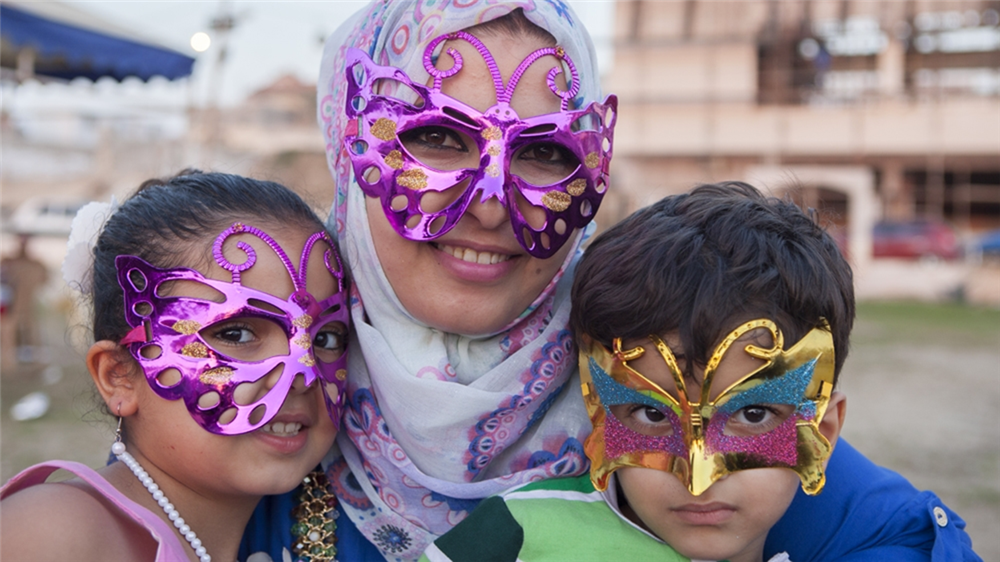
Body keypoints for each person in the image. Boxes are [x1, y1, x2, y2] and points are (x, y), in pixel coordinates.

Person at [247, 1, 980, 561]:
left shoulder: (680, 363)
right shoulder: (256, 399)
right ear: (348, 152)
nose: (493, 201)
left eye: (544, 152)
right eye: (435, 138)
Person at [421, 181, 849, 562]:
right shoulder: (520, 531)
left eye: (752, 414)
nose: (697, 477)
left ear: (823, 432)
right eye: (652, 413)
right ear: (599, 413)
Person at [1, 171, 350, 562]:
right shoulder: (58, 533)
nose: (304, 372)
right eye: (235, 335)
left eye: (326, 338)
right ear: (118, 377)